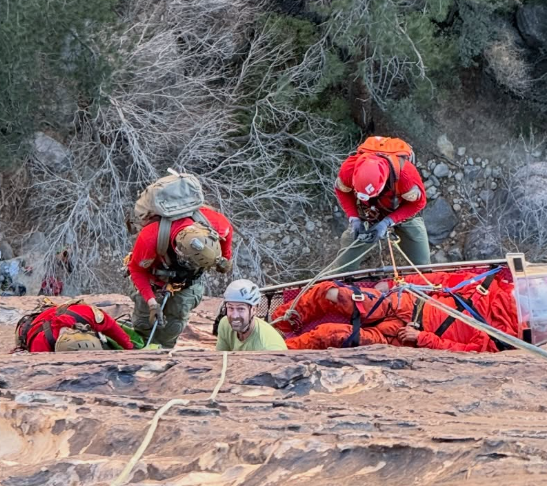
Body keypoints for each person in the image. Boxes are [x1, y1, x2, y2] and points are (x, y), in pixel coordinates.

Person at [271, 268, 518, 353]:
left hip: (405, 339)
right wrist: (393, 285)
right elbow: (438, 280)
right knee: (332, 293)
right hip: (407, 302)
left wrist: (422, 338)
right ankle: (280, 321)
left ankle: (274, 350)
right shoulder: (489, 286)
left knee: (331, 336)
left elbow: (462, 352)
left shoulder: (501, 341)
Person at [128, 206, 234, 349]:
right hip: (153, 279)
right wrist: (152, 303)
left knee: (173, 327)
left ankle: (165, 351)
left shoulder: (219, 224)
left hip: (186, 284)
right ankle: (140, 351)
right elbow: (136, 270)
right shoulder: (150, 237)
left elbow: (228, 231)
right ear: (179, 251)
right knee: (144, 324)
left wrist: (225, 257)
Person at [330, 136, 431, 272]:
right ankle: (341, 279)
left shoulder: (406, 177)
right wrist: (354, 218)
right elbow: (342, 191)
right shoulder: (349, 169)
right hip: (368, 212)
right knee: (343, 266)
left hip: (402, 210)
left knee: (422, 264)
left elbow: (417, 204)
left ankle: (423, 278)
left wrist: (387, 222)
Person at [16, 302, 135, 352]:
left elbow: (115, 331)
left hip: (70, 313)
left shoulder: (90, 315)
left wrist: (130, 348)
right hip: (36, 326)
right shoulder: (40, 345)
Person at [216, 279, 287, 352]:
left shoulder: (268, 347)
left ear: (254, 310)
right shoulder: (225, 324)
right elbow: (220, 356)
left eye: (241, 309)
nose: (234, 316)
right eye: (230, 308)